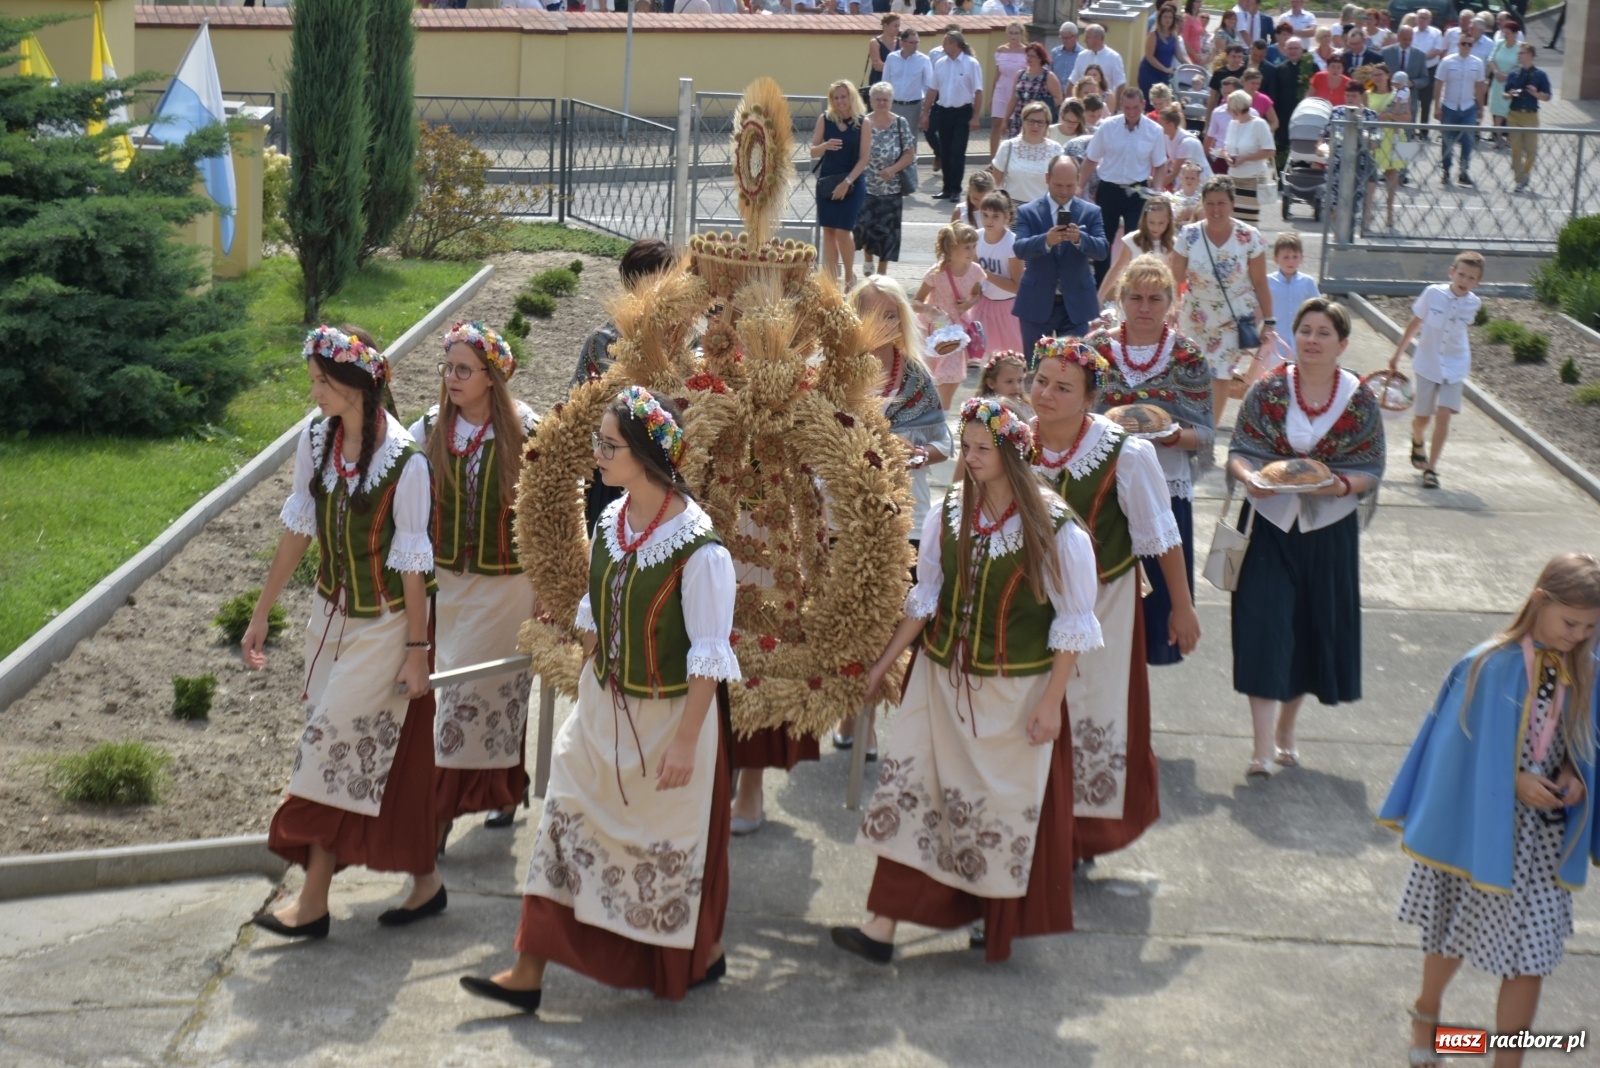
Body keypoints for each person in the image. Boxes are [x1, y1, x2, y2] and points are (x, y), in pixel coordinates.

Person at [460, 388, 740, 1010]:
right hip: (603, 709)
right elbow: (599, 608)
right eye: (598, 442)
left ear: (645, 453)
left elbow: (709, 657)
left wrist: (688, 744)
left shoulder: (701, 550)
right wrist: (584, 652)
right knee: (562, 818)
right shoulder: (613, 519)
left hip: (668, 721)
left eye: (608, 445)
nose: (597, 453)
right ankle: (527, 971)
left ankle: (692, 956)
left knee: (656, 851)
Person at [830, 398, 1102, 967]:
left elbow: (1074, 626)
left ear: (1010, 453)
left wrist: (1052, 703)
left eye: (983, 449)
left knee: (993, 810)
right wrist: (884, 664)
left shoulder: (1056, 530)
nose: (971, 458)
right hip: (938, 681)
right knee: (909, 793)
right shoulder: (948, 513)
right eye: (968, 447)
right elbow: (925, 599)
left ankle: (988, 917)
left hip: (1012, 693)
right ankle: (881, 927)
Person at [243, 326, 442, 941]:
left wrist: (416, 652)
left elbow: (414, 566)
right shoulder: (316, 438)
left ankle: (313, 902)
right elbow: (300, 528)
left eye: (323, 382)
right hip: (328, 617)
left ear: (358, 386)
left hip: (385, 629)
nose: (314, 392)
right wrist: (262, 610)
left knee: (326, 749)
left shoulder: (405, 462)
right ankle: (425, 880)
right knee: (372, 758)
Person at [1379, 553, 1600, 1068]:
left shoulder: (1588, 671)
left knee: (1531, 960)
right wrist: (1511, 781)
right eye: (1570, 622)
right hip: (1479, 830)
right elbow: (1454, 755)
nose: (1578, 635)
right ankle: (1427, 1014)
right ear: (1540, 602)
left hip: (1542, 844)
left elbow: (1585, 747)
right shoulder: (1486, 665)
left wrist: (1573, 775)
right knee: (1452, 933)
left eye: (1591, 627)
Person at [1030, 337, 1197, 860]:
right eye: (1040, 382)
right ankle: (1033, 818)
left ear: (1090, 397)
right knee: (1032, 705)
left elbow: (1160, 535)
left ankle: (1081, 836)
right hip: (1029, 599)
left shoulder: (1126, 452)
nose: (1046, 395)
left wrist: (1182, 606)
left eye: (1063, 387)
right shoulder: (1012, 439)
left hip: (1105, 602)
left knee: (1091, 708)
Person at [1226, 299, 1385, 779]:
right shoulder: (1269, 390)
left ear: (1343, 344)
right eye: (1306, 330)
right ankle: (1259, 748)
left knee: (1312, 628)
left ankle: (1286, 732)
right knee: (1263, 626)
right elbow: (1240, 450)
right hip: (1267, 524)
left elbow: (1371, 467)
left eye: (1324, 333)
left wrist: (1338, 485)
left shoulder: (1358, 400)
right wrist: (1248, 478)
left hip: (1327, 529)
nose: (1313, 340)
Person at [415, 324, 538, 849]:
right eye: (448, 368)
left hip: (506, 586)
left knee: (481, 693)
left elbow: (553, 507)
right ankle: (505, 791)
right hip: (447, 585)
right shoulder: (427, 429)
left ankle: (436, 818)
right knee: (458, 694)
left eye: (464, 369)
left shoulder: (525, 428)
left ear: (492, 378)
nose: (453, 378)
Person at [832, 278, 956, 754]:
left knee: (892, 621)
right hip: (845, 514)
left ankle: (868, 720)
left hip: (905, 512)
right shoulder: (836, 375)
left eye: (889, 315)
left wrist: (918, 454)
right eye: (869, 314)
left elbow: (943, 443)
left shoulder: (917, 378)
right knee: (849, 620)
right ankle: (846, 715)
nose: (880, 325)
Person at [1087, 256, 1213, 667]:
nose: (1145, 307)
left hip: (1164, 492)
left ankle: (1135, 706)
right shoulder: (1096, 350)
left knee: (1157, 609)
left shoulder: (1188, 356)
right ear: (1121, 298)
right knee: (1101, 604)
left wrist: (1174, 436)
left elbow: (1205, 434)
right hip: (1100, 490)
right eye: (1136, 297)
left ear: (1170, 302)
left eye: (1155, 298)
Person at [574, 239, 680, 531]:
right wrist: (606, 454)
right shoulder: (603, 341)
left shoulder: (685, 341)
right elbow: (580, 412)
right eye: (650, 282)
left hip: (671, 473)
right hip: (612, 477)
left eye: (669, 282)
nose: (660, 293)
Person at [1170, 176, 1277, 423]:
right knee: (1190, 372)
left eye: (1221, 203)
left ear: (1232, 204)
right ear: (1203, 205)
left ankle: (1209, 431)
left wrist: (1269, 321)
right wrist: (1172, 309)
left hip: (1233, 317)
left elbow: (1260, 282)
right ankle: (1188, 425)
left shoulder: (1249, 237)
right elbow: (1173, 279)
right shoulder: (1188, 235)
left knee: (1221, 375)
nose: (1215, 209)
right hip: (1194, 314)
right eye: (1210, 203)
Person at [1386, 250, 1485, 491]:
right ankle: (1417, 439)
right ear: (1451, 272)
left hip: (1456, 364)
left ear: (1478, 282)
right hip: (1428, 364)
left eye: (1471, 278)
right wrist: (1398, 354)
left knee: (1444, 415)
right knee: (1422, 419)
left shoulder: (1474, 303)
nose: (1464, 281)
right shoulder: (1433, 293)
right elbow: (1416, 322)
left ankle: (1431, 469)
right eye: (1461, 274)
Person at [1012, 157, 1109, 355]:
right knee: (1035, 368)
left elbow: (1102, 251)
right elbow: (1019, 249)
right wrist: (1046, 240)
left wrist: (1080, 238)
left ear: (1078, 180)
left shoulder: (1091, 212)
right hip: (1036, 304)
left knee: (1075, 369)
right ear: (1047, 178)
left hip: (1076, 306)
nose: (1064, 191)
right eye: (1058, 185)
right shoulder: (1027, 211)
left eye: (1070, 185)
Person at [1082, 87, 1168, 284]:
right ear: (1121, 106)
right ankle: (1102, 287)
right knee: (1103, 241)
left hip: (1137, 191)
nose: (1131, 112)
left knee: (1136, 241)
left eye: (1135, 107)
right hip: (1109, 189)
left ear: (1143, 105)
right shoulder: (1107, 126)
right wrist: (1079, 186)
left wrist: (1156, 193)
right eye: (1127, 107)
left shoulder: (1154, 131)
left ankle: (1131, 285)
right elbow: (1091, 159)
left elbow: (1160, 165)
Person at [916, 222, 986, 408]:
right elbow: (915, 302)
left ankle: (943, 415)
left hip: (956, 331)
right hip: (932, 330)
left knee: (951, 376)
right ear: (952, 249)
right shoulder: (936, 273)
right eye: (966, 248)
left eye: (973, 247)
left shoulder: (975, 271)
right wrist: (928, 309)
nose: (972, 252)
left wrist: (969, 303)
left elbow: (977, 293)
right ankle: (927, 412)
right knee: (927, 378)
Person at [811, 81, 872, 290]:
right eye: (836, 98)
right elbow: (813, 151)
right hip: (828, 181)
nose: (840, 101)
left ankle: (848, 276)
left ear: (851, 97)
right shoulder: (825, 119)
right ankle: (829, 281)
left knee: (843, 231)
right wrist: (825, 146)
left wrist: (847, 182)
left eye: (843, 96)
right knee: (828, 230)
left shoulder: (863, 122)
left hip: (852, 182)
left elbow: (864, 159)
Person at [854, 83, 918, 279]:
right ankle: (867, 260)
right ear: (871, 101)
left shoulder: (900, 123)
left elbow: (909, 152)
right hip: (865, 185)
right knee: (864, 227)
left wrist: (892, 169)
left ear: (891, 102)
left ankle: (882, 272)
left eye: (886, 99)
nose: (882, 103)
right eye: (878, 99)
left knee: (887, 232)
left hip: (891, 187)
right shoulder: (862, 122)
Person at [924, 30, 985, 202]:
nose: (943, 46)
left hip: (962, 112)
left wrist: (975, 116)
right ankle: (947, 187)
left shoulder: (971, 64)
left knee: (957, 151)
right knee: (945, 151)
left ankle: (956, 189)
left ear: (955, 44)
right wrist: (925, 113)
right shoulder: (940, 63)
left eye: (946, 43)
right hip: (944, 111)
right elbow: (932, 90)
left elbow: (978, 91)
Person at [973, 190, 1024, 356]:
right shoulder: (976, 238)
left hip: (1009, 308)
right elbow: (973, 277)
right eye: (985, 215)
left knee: (1015, 356)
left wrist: (986, 274)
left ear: (1007, 217)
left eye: (995, 216)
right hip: (983, 304)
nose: (989, 220)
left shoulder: (1012, 243)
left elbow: (1017, 287)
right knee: (986, 357)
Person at [1099, 194, 1176, 303]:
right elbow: (1116, 269)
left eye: (1161, 223)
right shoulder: (1132, 240)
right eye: (1151, 222)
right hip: (1134, 296)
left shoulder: (1174, 245)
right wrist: (1100, 296)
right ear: (1144, 220)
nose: (1156, 227)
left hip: (1159, 299)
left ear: (1169, 221)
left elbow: (1175, 277)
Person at [1436, 31, 1486, 186]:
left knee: (1468, 141)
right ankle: (1446, 171)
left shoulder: (1477, 63)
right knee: (1447, 141)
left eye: (1469, 44)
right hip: (1449, 106)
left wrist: (1481, 107)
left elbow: (1479, 86)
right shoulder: (1447, 61)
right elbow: (1439, 84)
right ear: (1458, 44)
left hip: (1468, 106)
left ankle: (1464, 171)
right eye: (1463, 43)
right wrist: (1437, 106)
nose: (1466, 47)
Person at [1219, 90, 1275, 224]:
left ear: (1236, 108)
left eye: (1229, 107)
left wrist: (1244, 158)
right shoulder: (1233, 124)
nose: (1227, 110)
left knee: (1248, 223)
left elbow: (1270, 151)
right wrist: (1226, 156)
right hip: (1233, 178)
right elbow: (1226, 148)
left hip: (1252, 180)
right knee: (1231, 222)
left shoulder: (1259, 124)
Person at [992, 101, 1065, 204]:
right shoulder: (1007, 146)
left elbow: (1060, 184)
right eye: (1031, 121)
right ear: (1023, 121)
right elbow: (995, 182)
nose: (1035, 126)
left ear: (1047, 124)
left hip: (1041, 209)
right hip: (1010, 209)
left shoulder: (1056, 150)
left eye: (1040, 122)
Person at [1503, 43, 1550, 194]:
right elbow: (1505, 94)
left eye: (1522, 53)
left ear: (1530, 55)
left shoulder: (1540, 75)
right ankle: (1519, 180)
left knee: (1531, 151)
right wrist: (1509, 94)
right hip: (1514, 114)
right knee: (1516, 149)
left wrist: (1536, 94)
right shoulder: (1514, 73)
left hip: (1531, 115)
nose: (1519, 56)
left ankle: (1525, 173)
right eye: (1519, 53)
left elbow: (1547, 96)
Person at [1265, 232, 1320, 360]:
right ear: (1275, 258)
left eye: (1295, 257)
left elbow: (1318, 309)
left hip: (1301, 343)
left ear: (1302, 258)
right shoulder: (1268, 282)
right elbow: (1258, 309)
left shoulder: (1307, 282)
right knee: (1275, 377)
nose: (1291, 261)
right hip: (1275, 344)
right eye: (1286, 257)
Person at [1364, 66, 1406, 231]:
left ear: (1388, 75)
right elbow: (1365, 114)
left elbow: (1408, 117)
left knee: (1393, 176)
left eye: (1380, 74)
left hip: (1396, 137)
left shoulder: (1399, 94)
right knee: (1370, 178)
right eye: (1374, 75)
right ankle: (1367, 214)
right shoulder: (1367, 94)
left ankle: (1390, 213)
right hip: (1375, 138)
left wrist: (1388, 115)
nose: (1377, 78)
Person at [1267, 36, 1315, 164]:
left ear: (1302, 50)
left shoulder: (1312, 68)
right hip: (1284, 119)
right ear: (1285, 50)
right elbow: (1273, 96)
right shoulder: (1279, 70)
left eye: (1296, 48)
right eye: (1290, 48)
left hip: (1306, 118)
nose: (1293, 51)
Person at [884, 27, 935, 137]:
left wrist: (925, 110)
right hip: (894, 105)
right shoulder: (891, 58)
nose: (915, 45)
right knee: (893, 138)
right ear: (902, 43)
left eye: (917, 42)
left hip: (913, 107)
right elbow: (885, 83)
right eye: (912, 42)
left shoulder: (924, 60)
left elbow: (929, 86)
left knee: (910, 140)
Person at [988, 22, 1029, 159]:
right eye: (1011, 32)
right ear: (1007, 34)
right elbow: (996, 74)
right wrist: (992, 95)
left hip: (1017, 89)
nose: (1013, 36)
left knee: (1015, 124)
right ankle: (993, 160)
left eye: (1016, 33)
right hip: (1001, 87)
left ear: (1021, 34)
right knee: (996, 124)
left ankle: (1014, 157)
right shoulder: (1001, 50)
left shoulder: (1026, 51)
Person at [1007, 43, 1065, 137]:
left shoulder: (1048, 76)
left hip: (1037, 121)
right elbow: (1013, 99)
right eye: (1028, 55)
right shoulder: (1020, 75)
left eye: (1033, 56)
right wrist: (1005, 120)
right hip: (1019, 119)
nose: (1029, 58)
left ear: (1040, 58)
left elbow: (1059, 99)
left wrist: (1040, 102)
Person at [1140, 4, 1190, 103]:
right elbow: (1149, 56)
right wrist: (1165, 69)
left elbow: (1180, 56)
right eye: (1165, 17)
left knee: (1164, 103)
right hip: (1150, 73)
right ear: (1160, 18)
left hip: (1164, 74)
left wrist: (1192, 68)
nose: (1168, 20)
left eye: (1170, 17)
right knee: (1152, 103)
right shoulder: (1153, 34)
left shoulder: (1173, 35)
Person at [1486, 20, 1523, 148]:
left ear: (1515, 33)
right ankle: (1498, 138)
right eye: (1503, 32)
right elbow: (1491, 59)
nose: (1505, 35)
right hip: (1497, 82)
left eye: (1507, 33)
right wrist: (1496, 72)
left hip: (1512, 84)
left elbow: (1521, 66)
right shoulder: (1500, 44)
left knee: (1510, 111)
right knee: (1497, 110)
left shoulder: (1520, 47)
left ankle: (1511, 139)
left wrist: (1508, 75)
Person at [1382, 26, 1431, 122]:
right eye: (1405, 39)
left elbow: (1425, 79)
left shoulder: (1420, 55)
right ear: (1398, 37)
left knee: (1407, 131)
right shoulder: (1386, 52)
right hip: (1389, 98)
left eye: (1410, 39)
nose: (1407, 42)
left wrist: (1412, 83)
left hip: (1410, 100)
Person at [1156, 104, 1210, 189]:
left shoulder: (1186, 143)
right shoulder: (1166, 136)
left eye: (1160, 123)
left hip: (1201, 182)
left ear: (1170, 125)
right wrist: (1159, 177)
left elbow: (1175, 173)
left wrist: (1156, 187)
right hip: (1186, 180)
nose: (1157, 126)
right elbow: (1171, 159)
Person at [1072, 24, 1127, 100]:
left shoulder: (1114, 57)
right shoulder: (1081, 56)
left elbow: (1121, 84)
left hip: (1106, 104)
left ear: (1098, 38)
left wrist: (1116, 108)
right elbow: (1073, 81)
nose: (1084, 40)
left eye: (1087, 37)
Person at [1413, 8, 1445, 134]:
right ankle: (1410, 130)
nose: (1422, 20)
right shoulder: (1411, 32)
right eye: (1420, 17)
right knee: (1411, 101)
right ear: (1416, 18)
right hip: (1413, 70)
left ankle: (1424, 131)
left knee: (1426, 102)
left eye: (1425, 17)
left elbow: (1437, 50)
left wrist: (1420, 60)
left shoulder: (1436, 32)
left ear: (1430, 20)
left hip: (1429, 70)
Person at [1204, 75, 1243, 172]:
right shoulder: (1217, 112)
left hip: (1242, 158)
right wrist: (1204, 158)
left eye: (1230, 93)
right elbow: (1210, 137)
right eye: (1224, 93)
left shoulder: (1252, 114)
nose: (1227, 97)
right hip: (1220, 158)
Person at [865, 13, 900, 93]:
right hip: (878, 81)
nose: (898, 29)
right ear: (885, 26)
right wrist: (899, 67)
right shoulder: (875, 42)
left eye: (898, 26)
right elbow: (877, 65)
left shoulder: (901, 42)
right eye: (895, 26)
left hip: (896, 83)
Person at [1210, 41, 1249, 109]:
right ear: (1227, 56)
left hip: (1241, 109)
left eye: (1239, 57)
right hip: (1223, 109)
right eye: (1233, 56)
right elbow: (1213, 98)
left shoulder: (1246, 73)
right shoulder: (1219, 73)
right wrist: (1208, 117)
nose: (1237, 60)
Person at [1052, 21, 1084, 94]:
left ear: (1076, 36)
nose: (1064, 41)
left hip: (1074, 95)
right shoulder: (1055, 53)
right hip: (1057, 95)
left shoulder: (1083, 55)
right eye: (1062, 38)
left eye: (1067, 38)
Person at [1182, 0, 1209, 66]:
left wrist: (1198, 54)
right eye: (1197, 1)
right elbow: (1185, 40)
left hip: (1197, 52)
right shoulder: (1186, 17)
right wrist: (1194, 55)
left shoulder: (1197, 17)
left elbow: (1198, 37)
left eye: (1200, 1)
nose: (1199, 3)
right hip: (1189, 53)